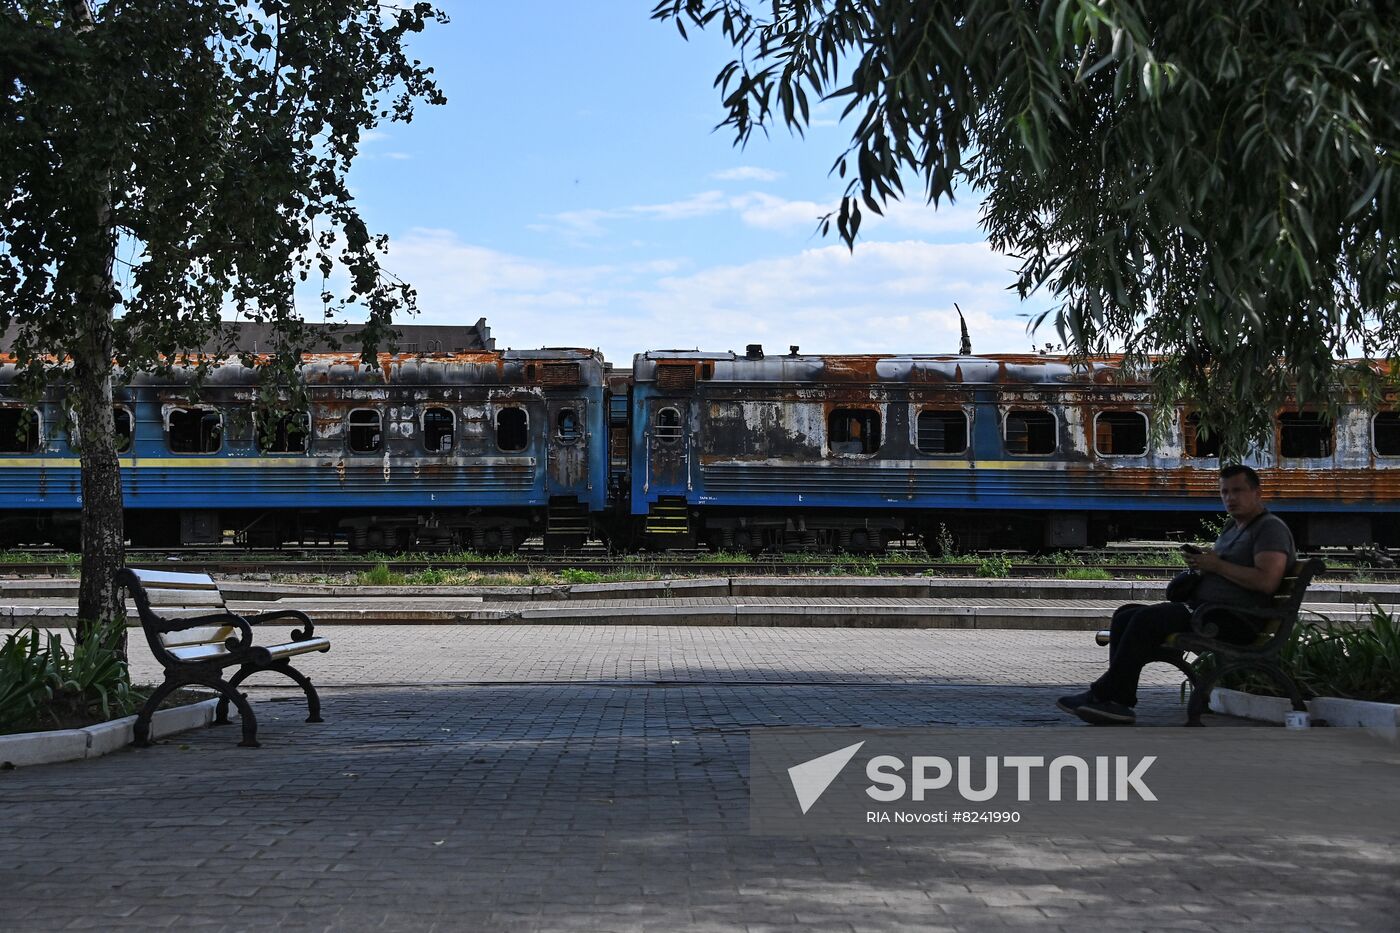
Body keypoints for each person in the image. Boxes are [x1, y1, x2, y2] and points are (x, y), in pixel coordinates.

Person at [1057, 464, 1296, 725]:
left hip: (1236, 619)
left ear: (1257, 493)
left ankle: (1111, 698)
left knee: (1146, 620)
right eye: (1224, 492)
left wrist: (1216, 565)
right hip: (1210, 612)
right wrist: (1204, 564)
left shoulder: (1270, 529)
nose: (1230, 498)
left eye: (1238, 491)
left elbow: (1267, 581)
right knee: (1126, 614)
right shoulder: (1233, 528)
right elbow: (1225, 567)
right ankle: (1112, 700)